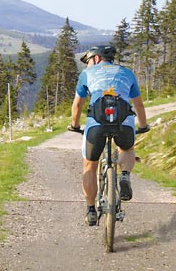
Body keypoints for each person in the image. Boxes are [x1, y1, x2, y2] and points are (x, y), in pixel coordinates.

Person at [69, 45, 150, 226]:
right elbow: (139, 105)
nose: (88, 65)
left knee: (89, 165)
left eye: (88, 61)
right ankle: (125, 176)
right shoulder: (127, 73)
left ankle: (90, 210)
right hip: (124, 122)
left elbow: (77, 105)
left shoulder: (87, 75)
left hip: (96, 123)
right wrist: (143, 126)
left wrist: (74, 125)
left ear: (96, 59)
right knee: (127, 149)